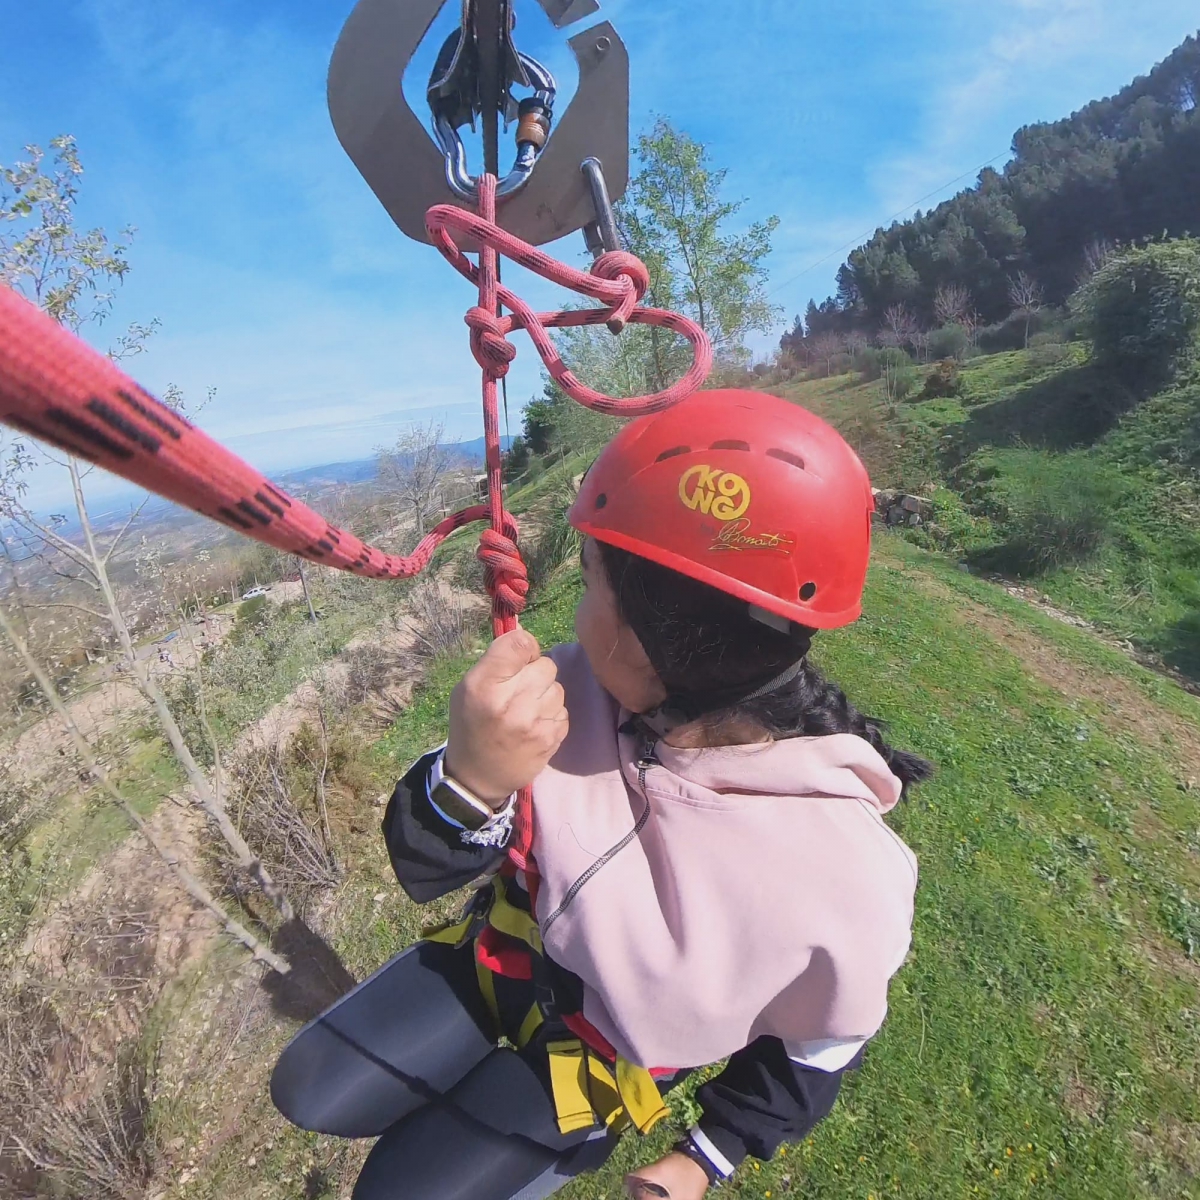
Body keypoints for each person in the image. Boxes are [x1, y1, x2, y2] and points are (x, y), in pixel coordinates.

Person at [271, 390, 931, 1200]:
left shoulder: (846, 880)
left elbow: (817, 1046)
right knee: (306, 1087)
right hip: (497, 966)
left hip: (589, 1064)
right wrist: (475, 779)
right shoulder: (574, 693)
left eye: (589, 585)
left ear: (655, 642)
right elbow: (422, 868)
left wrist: (704, 1157)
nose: (574, 619)